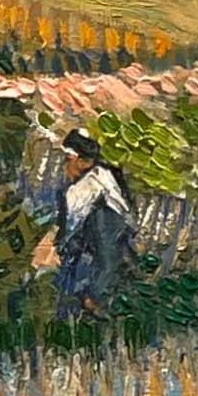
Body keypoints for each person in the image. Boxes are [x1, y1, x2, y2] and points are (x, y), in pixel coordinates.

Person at [40, 128, 133, 316]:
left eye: (68, 160)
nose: (65, 166)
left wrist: (57, 244)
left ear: (84, 162)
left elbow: (72, 221)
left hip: (107, 230)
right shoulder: (103, 176)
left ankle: (91, 299)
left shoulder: (90, 183)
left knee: (103, 260)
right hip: (109, 233)